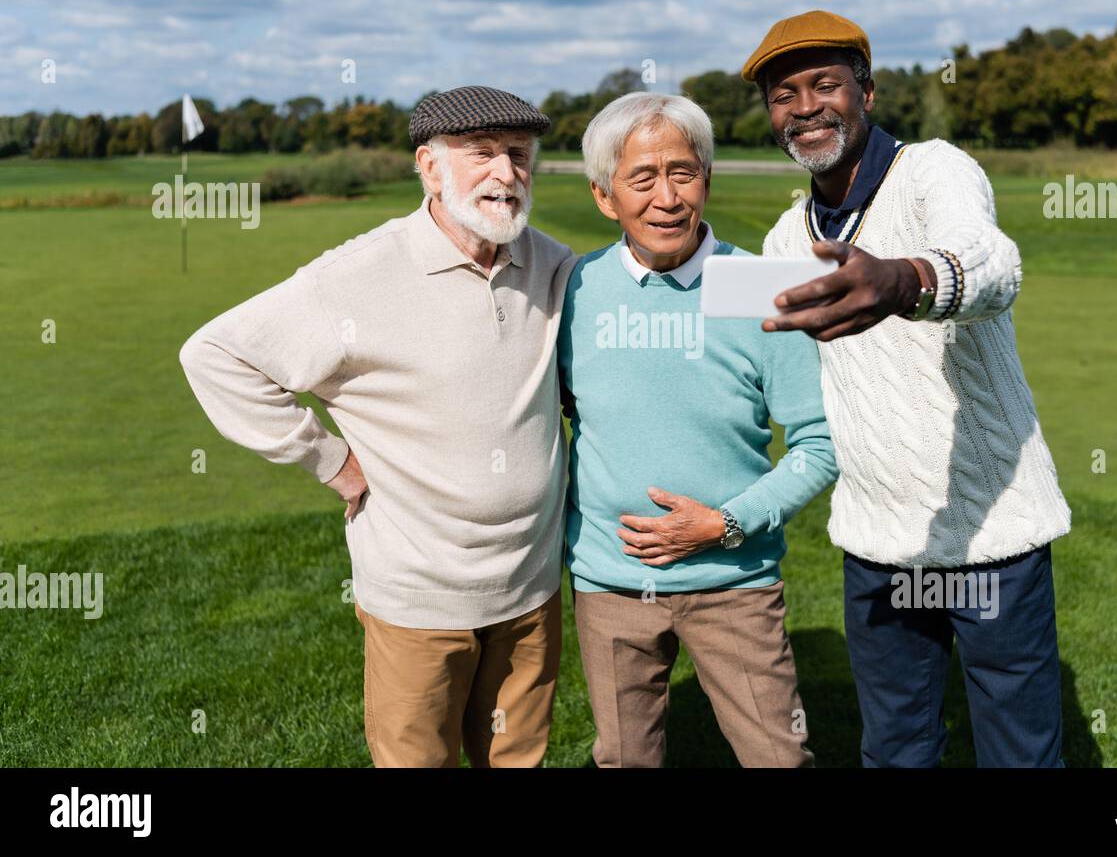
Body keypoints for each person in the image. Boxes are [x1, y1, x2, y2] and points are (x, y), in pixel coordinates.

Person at [179, 86, 577, 767]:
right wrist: (326, 458)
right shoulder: (355, 276)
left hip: (531, 590)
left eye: (518, 154)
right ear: (429, 166)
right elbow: (214, 354)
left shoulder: (557, 265)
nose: (505, 173)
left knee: (517, 762)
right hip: (416, 599)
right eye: (481, 154)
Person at [745, 10, 1073, 767]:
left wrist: (902, 279)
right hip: (877, 542)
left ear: (866, 89)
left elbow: (991, 265)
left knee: (1021, 754)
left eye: (825, 84)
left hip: (992, 532)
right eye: (783, 94)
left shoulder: (932, 168)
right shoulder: (784, 239)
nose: (804, 107)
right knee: (895, 749)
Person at [560, 91, 838, 767]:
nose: (667, 197)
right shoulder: (576, 288)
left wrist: (726, 523)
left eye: (683, 172)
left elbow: (822, 444)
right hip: (610, 584)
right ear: (605, 196)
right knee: (626, 759)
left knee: (778, 756)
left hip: (734, 580)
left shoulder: (758, 286)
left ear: (707, 180)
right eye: (643, 178)